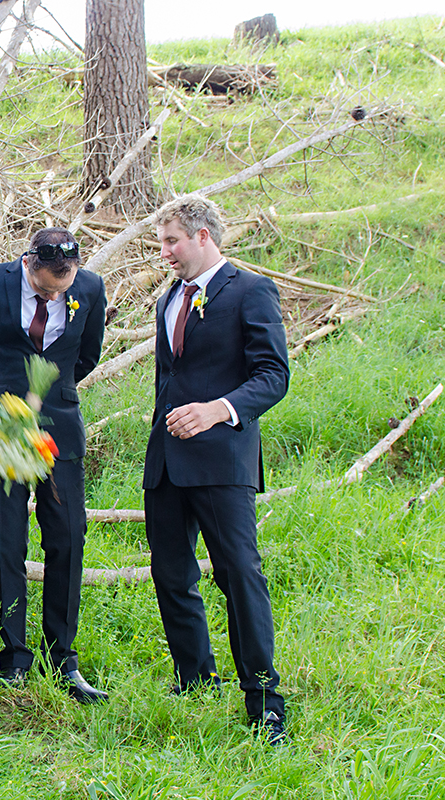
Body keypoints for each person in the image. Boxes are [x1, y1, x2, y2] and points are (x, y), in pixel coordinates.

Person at [145, 193, 290, 745]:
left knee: (238, 576)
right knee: (170, 575)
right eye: (162, 242)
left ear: (203, 236)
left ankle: (264, 698)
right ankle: (194, 676)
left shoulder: (250, 291)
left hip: (223, 461)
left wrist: (217, 410)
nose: (165, 253)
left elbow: (273, 374)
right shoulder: (168, 300)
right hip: (165, 462)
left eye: (171, 241)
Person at [0, 228, 108, 702]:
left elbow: (87, 355)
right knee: (6, 540)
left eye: (63, 289)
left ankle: (63, 658)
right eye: (45, 288)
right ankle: (15, 658)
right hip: (1, 423)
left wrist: (50, 396)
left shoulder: (91, 287)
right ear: (27, 263)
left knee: (67, 535)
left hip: (59, 424)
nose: (54, 294)